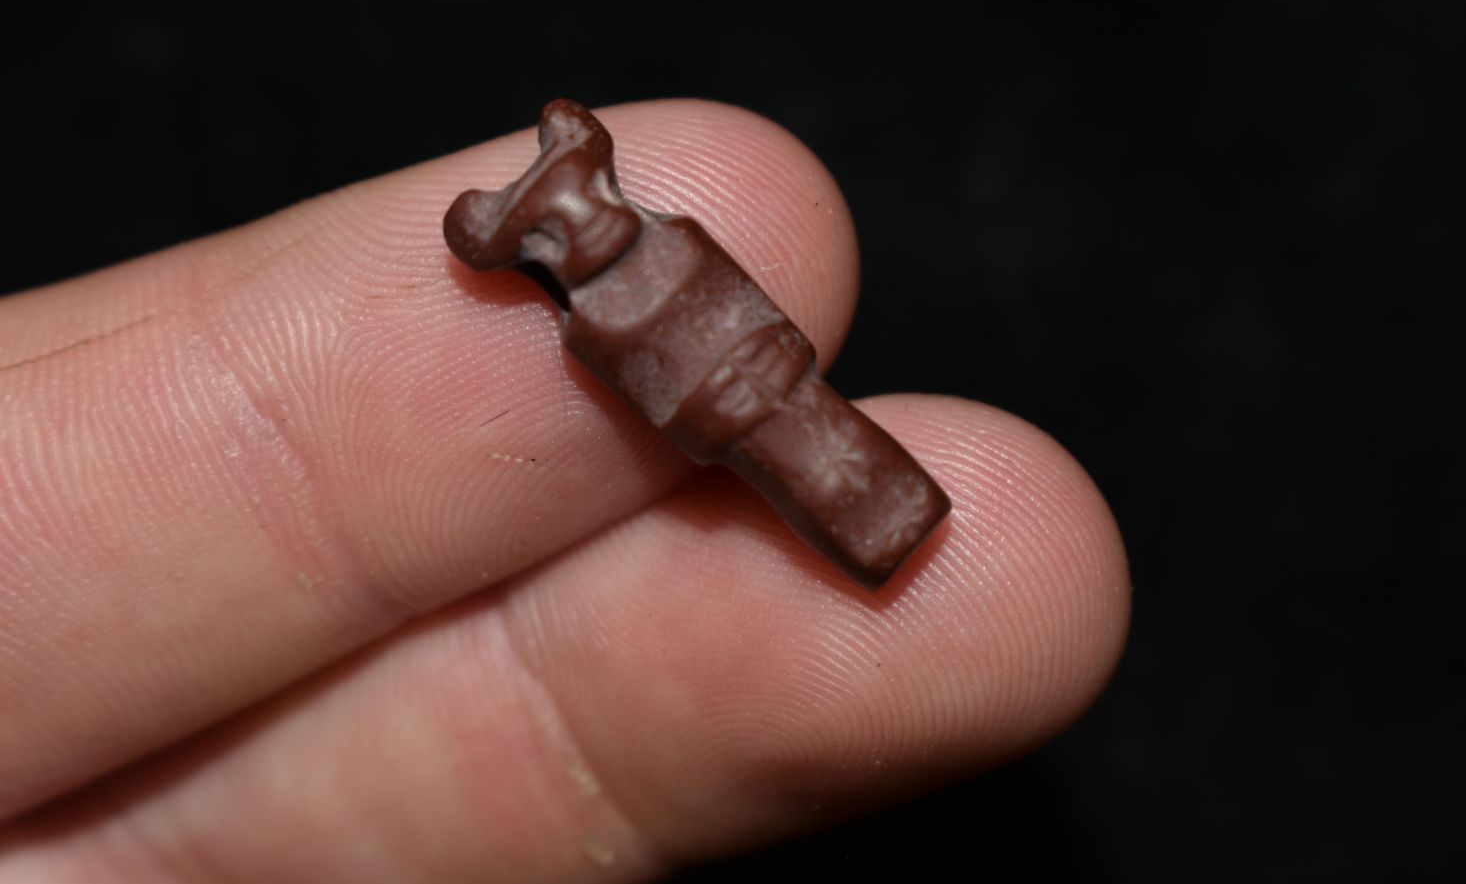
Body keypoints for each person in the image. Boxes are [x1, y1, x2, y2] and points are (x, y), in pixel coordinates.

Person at [0, 100, 1130, 881]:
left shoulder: (665, 252)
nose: (590, 227)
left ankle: (879, 508)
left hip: (767, 396)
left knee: (836, 464)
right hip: (737, 414)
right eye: (561, 223)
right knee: (811, 466)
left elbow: (733, 330)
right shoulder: (601, 319)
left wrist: (745, 367)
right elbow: (672, 377)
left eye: (583, 206)